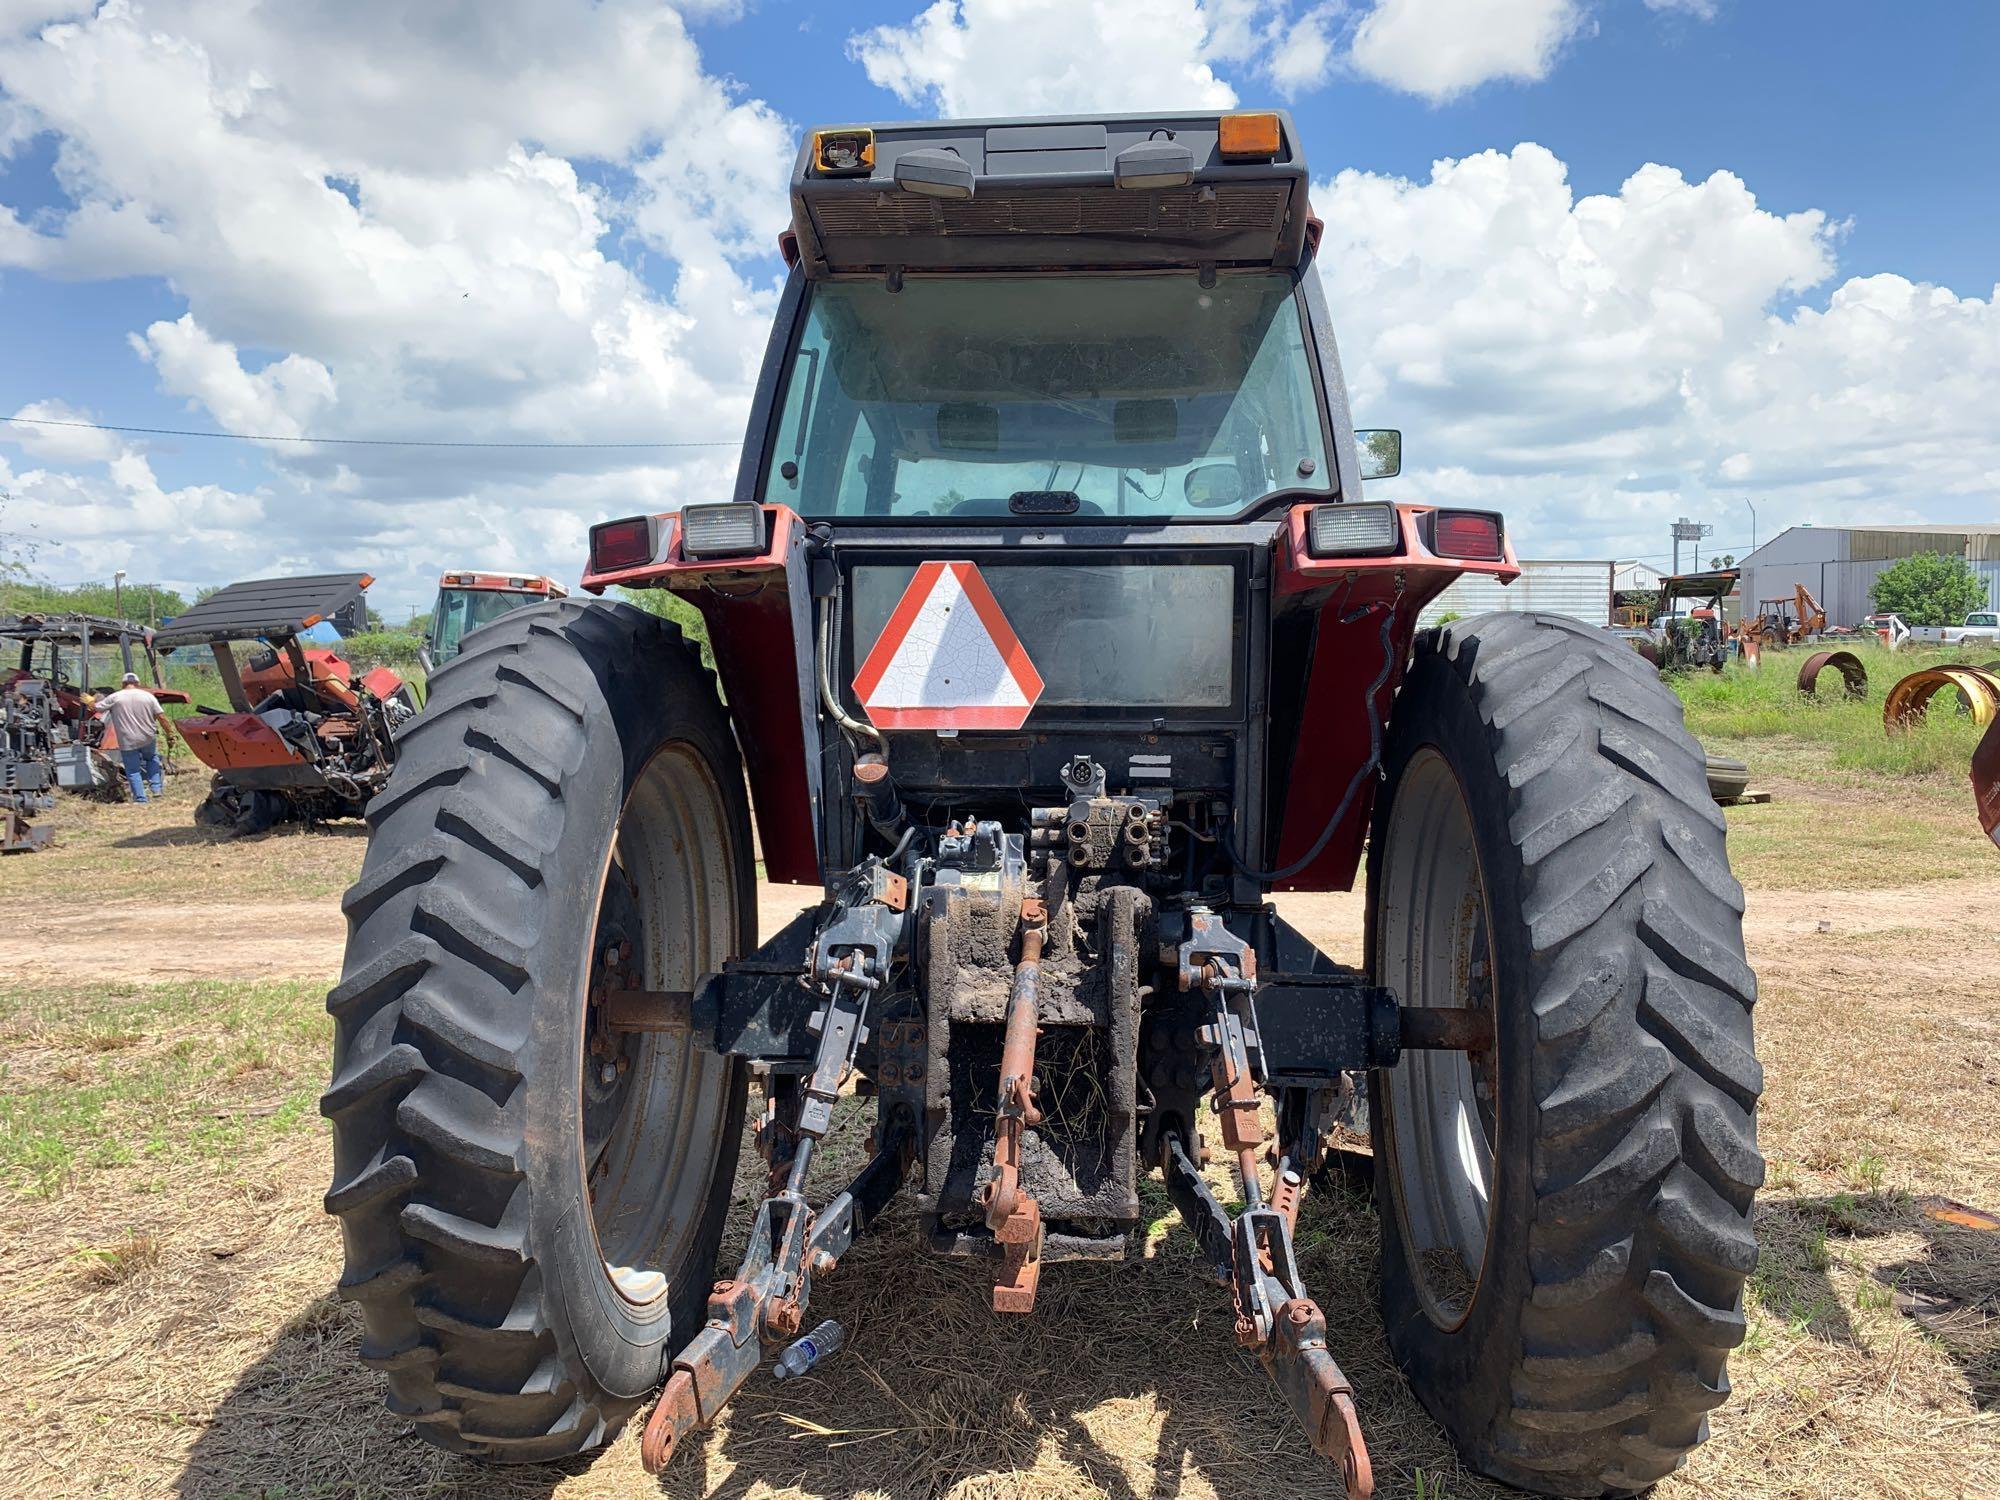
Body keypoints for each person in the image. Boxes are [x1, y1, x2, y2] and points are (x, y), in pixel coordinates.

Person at [99, 671, 166, 803]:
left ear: (123, 684)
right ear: (138, 683)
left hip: (127, 740)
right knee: (152, 759)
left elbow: (97, 708)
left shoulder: (115, 697)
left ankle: (141, 799)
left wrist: (90, 701)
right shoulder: (148, 696)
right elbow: (161, 716)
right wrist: (169, 732)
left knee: (133, 770)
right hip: (147, 737)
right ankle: (156, 788)